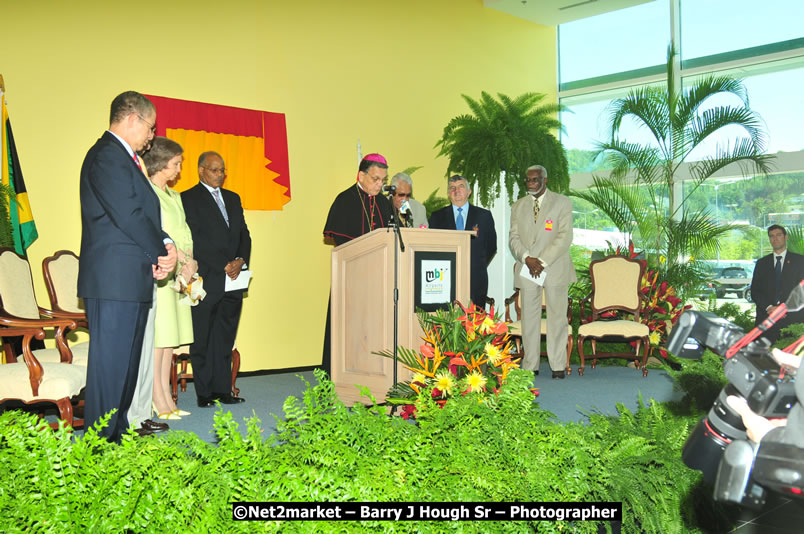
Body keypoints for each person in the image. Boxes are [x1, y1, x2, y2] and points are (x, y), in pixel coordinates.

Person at [78, 91, 177, 442]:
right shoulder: (107, 155)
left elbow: (143, 214)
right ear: (133, 118)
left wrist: (165, 243)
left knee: (127, 366)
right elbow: (128, 215)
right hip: (113, 279)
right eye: (150, 128)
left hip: (130, 277)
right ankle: (99, 445)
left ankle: (117, 433)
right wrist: (161, 251)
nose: (151, 136)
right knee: (111, 368)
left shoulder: (126, 158)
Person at [181, 152, 251, 408]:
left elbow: (244, 233)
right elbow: (194, 239)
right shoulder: (187, 198)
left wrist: (240, 260)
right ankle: (204, 393)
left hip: (234, 278)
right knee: (203, 338)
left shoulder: (233, 198)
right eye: (214, 170)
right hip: (207, 278)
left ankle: (224, 391)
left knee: (224, 337)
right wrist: (222, 264)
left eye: (222, 170)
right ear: (201, 171)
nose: (220, 175)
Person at [321, 153, 394, 375]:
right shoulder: (344, 200)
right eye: (375, 179)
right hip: (351, 278)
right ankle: (335, 376)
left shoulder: (383, 202)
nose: (380, 184)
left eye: (383, 179)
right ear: (361, 175)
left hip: (379, 280)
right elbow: (340, 240)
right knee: (344, 330)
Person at [143, 137, 198, 419]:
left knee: (170, 341)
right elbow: (155, 233)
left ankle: (167, 397)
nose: (179, 169)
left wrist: (191, 261)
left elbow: (184, 232)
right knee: (159, 338)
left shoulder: (175, 196)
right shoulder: (148, 192)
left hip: (181, 273)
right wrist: (176, 261)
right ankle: (156, 398)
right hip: (162, 272)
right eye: (176, 163)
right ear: (162, 163)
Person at [508, 165, 575, 379]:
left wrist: (542, 261)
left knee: (557, 317)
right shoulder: (518, 206)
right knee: (529, 318)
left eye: (535, 180)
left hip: (554, 267)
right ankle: (531, 365)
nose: (530, 183)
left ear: (545, 180)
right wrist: (527, 258)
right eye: (527, 180)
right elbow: (513, 238)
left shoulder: (562, 203)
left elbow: (564, 237)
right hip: (527, 267)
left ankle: (557, 365)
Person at [428, 175, 497, 309]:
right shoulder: (437, 217)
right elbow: (433, 247)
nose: (456, 191)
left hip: (476, 279)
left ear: (469, 192)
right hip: (444, 280)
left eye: (461, 187)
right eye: (452, 188)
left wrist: (476, 264)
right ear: (448, 194)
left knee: (475, 323)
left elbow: (491, 246)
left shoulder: (484, 216)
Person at [750, 225, 804, 343]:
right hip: (766, 320)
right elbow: (755, 291)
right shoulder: (761, 263)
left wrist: (784, 308)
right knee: (764, 360)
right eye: (771, 236)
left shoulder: (800, 261)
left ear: (786, 237)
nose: (775, 238)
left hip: (793, 321)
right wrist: (769, 307)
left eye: (779, 235)